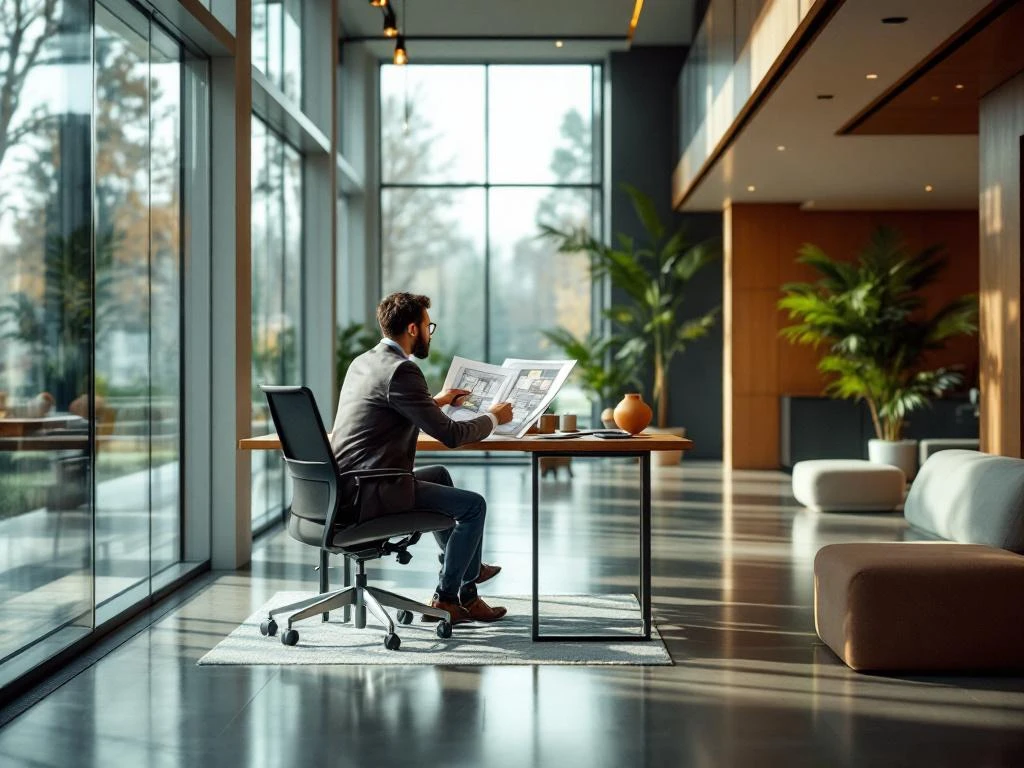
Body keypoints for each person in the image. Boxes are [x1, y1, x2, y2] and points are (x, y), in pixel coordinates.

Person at [330, 292, 513, 624]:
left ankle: (467, 593)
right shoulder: (402, 370)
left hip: (346, 486)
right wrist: (495, 417)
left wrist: (437, 400)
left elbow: (391, 406)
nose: (431, 332)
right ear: (413, 328)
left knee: (440, 474)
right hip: (373, 491)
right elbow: (452, 435)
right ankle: (449, 595)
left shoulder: (365, 362)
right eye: (430, 326)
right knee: (474, 506)